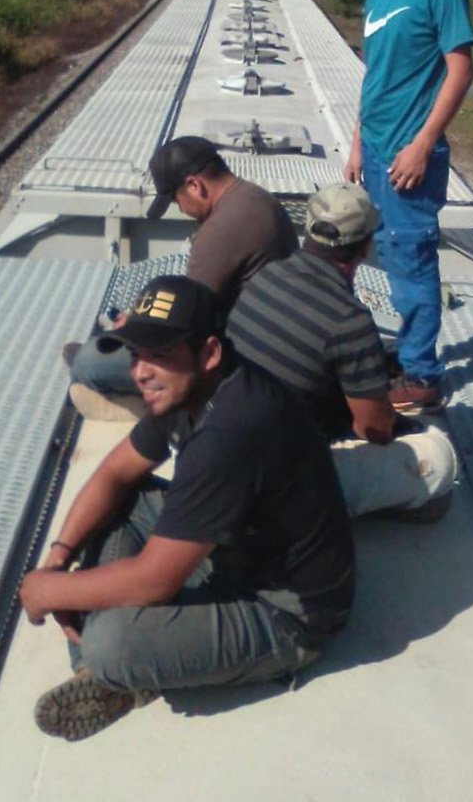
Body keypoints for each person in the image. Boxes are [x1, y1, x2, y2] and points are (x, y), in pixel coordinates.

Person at [22, 276, 354, 743]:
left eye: (159, 354)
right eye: (136, 355)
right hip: (233, 548)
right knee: (125, 498)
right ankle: (130, 656)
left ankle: (115, 669)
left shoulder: (231, 428)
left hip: (288, 611)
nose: (140, 372)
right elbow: (115, 474)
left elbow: (155, 579)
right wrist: (59, 558)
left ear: (210, 353)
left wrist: (50, 591)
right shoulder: (191, 389)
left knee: (108, 645)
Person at [228, 182, 457, 519]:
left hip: (228, 442)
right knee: (439, 467)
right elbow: (374, 430)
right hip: (276, 482)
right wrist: (397, 418)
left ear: (308, 231)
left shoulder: (266, 276)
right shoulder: (349, 320)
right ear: (364, 248)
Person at [345, 0, 473, 413]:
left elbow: (460, 69)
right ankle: (411, 353)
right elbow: (374, 76)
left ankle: (421, 376)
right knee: (392, 260)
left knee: (411, 262)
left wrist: (423, 143)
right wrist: (356, 144)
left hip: (408, 154)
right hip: (374, 149)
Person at [68, 135, 297, 416]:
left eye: (177, 201)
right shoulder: (257, 197)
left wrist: (137, 328)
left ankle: (143, 412)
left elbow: (184, 324)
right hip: (273, 337)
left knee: (89, 362)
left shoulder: (219, 230)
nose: (182, 210)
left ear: (194, 185)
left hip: (241, 359)